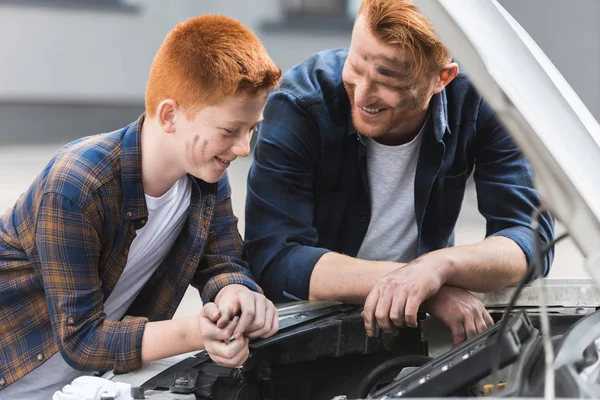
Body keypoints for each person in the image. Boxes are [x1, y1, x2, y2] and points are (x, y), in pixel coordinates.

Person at [0, 14, 281, 399]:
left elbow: (223, 263)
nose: (243, 148)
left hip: (92, 383)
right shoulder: (77, 184)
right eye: (230, 131)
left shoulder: (206, 177)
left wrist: (239, 297)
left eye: (252, 129)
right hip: (14, 373)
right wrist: (199, 331)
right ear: (169, 115)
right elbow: (83, 339)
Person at [245, 0, 554, 347]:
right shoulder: (300, 104)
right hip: (306, 334)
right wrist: (423, 287)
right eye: (355, 64)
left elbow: (530, 239)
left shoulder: (480, 103)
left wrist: (439, 268)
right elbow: (275, 257)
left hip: (414, 332)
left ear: (442, 78)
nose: (362, 94)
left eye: (387, 79)